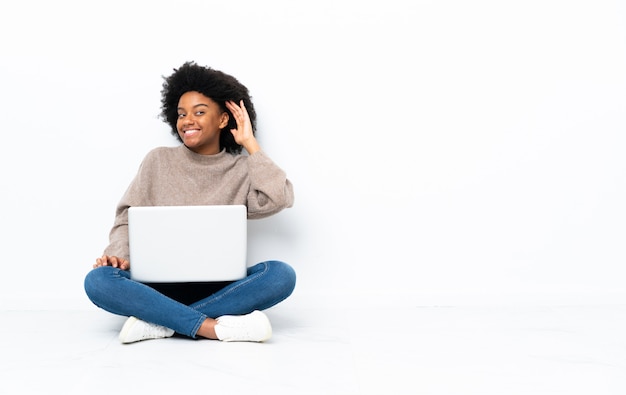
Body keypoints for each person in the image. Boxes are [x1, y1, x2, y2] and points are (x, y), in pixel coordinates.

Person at [84, 61, 296, 344]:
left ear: (223, 119)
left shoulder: (243, 169)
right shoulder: (158, 160)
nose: (187, 120)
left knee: (281, 275)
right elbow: (126, 217)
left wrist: (251, 144)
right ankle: (211, 327)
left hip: (220, 287)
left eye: (199, 112)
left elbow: (277, 199)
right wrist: (118, 255)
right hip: (158, 287)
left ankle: (162, 322)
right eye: (181, 113)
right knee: (97, 280)